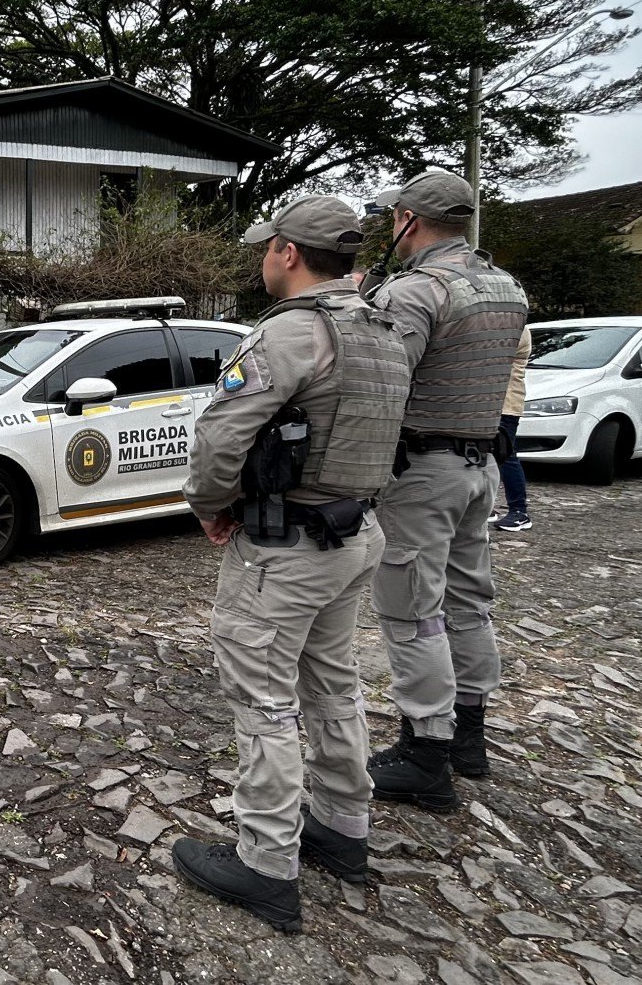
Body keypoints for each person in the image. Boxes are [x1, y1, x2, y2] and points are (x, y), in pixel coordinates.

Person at [169, 196, 412, 932]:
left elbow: (220, 440)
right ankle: (342, 826)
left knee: (264, 698)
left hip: (287, 548)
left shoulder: (291, 335)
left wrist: (209, 505)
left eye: (265, 249)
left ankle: (266, 862)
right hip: (355, 533)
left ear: (288, 252)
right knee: (332, 681)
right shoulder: (382, 328)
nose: (262, 260)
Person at [363, 169, 529, 813]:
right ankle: (470, 736)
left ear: (410, 216)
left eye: (392, 216)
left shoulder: (415, 292)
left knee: (411, 610)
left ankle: (424, 752)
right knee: (468, 601)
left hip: (422, 468)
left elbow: (382, 381)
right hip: (478, 464)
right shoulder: (505, 286)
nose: (388, 227)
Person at [490, 327, 534, 531]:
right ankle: (485, 507)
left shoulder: (517, 327)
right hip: (491, 402)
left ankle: (519, 512)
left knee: (506, 456)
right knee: (483, 458)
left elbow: (491, 354)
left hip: (506, 403)